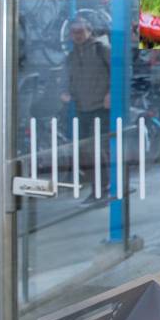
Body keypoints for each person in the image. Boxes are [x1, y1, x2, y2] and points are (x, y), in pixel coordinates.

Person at [61, 16, 112, 199]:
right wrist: (65, 92)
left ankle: (102, 189)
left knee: (97, 150)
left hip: (100, 107)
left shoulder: (101, 49)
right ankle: (96, 188)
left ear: (89, 31)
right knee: (84, 152)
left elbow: (119, 71)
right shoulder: (71, 55)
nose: (77, 35)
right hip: (81, 108)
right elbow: (67, 78)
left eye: (81, 31)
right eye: (74, 32)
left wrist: (110, 93)